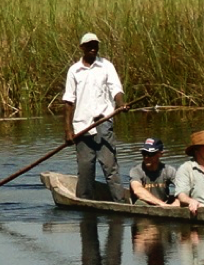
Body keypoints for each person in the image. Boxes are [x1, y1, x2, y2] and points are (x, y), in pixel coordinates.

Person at [62, 32, 127, 201]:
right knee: (85, 168)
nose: (93, 48)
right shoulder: (74, 71)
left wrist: (120, 104)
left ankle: (120, 202)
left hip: (103, 122)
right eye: (89, 45)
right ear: (82, 48)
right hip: (82, 126)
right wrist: (68, 131)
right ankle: (84, 202)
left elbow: (116, 90)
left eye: (95, 45)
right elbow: (69, 102)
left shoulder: (106, 66)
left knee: (109, 166)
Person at [128, 138, 177, 207]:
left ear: (160, 154)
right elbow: (137, 190)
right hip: (143, 206)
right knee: (141, 203)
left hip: (164, 204)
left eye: (150, 154)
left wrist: (176, 204)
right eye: (144, 153)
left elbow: (184, 188)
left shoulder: (169, 170)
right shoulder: (136, 170)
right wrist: (162, 204)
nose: (146, 157)